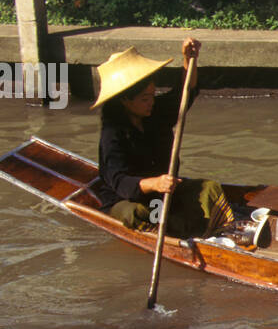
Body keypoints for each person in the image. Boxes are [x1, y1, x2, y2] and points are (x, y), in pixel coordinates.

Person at [91, 37, 235, 239]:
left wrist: (188, 59)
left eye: (152, 95)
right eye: (144, 99)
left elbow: (185, 93)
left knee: (210, 189)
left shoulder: (154, 112)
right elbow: (120, 182)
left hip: (166, 191)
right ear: (125, 100)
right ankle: (166, 236)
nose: (151, 102)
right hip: (131, 199)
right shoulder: (112, 135)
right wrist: (155, 183)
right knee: (133, 214)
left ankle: (220, 232)